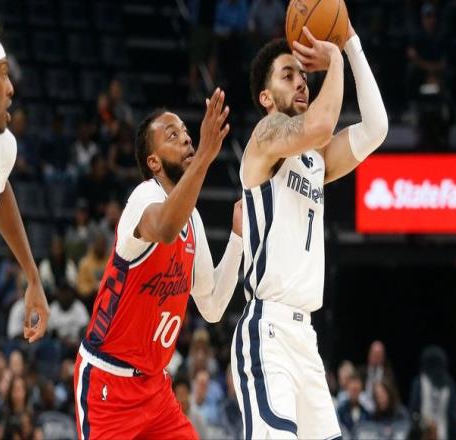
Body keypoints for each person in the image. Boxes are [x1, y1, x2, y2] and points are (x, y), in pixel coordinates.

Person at [231, 16, 388, 439]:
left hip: (305, 338)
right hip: (267, 332)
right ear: (265, 97)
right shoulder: (264, 136)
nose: (302, 82)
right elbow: (320, 124)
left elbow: (376, 129)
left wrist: (351, 42)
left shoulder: (315, 160)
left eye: (303, 75)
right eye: (289, 75)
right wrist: (333, 60)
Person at [73, 88, 243, 439]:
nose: (186, 138)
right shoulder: (144, 196)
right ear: (153, 162)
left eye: (186, 132)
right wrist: (204, 157)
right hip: (108, 385)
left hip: (155, 388)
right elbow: (165, 228)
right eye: (172, 135)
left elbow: (212, 307)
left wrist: (238, 238)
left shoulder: (193, 218)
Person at [0, 15, 49, 343]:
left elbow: (0, 186)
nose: (11, 88)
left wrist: (32, 276)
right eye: (2, 74)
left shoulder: (3, 145)